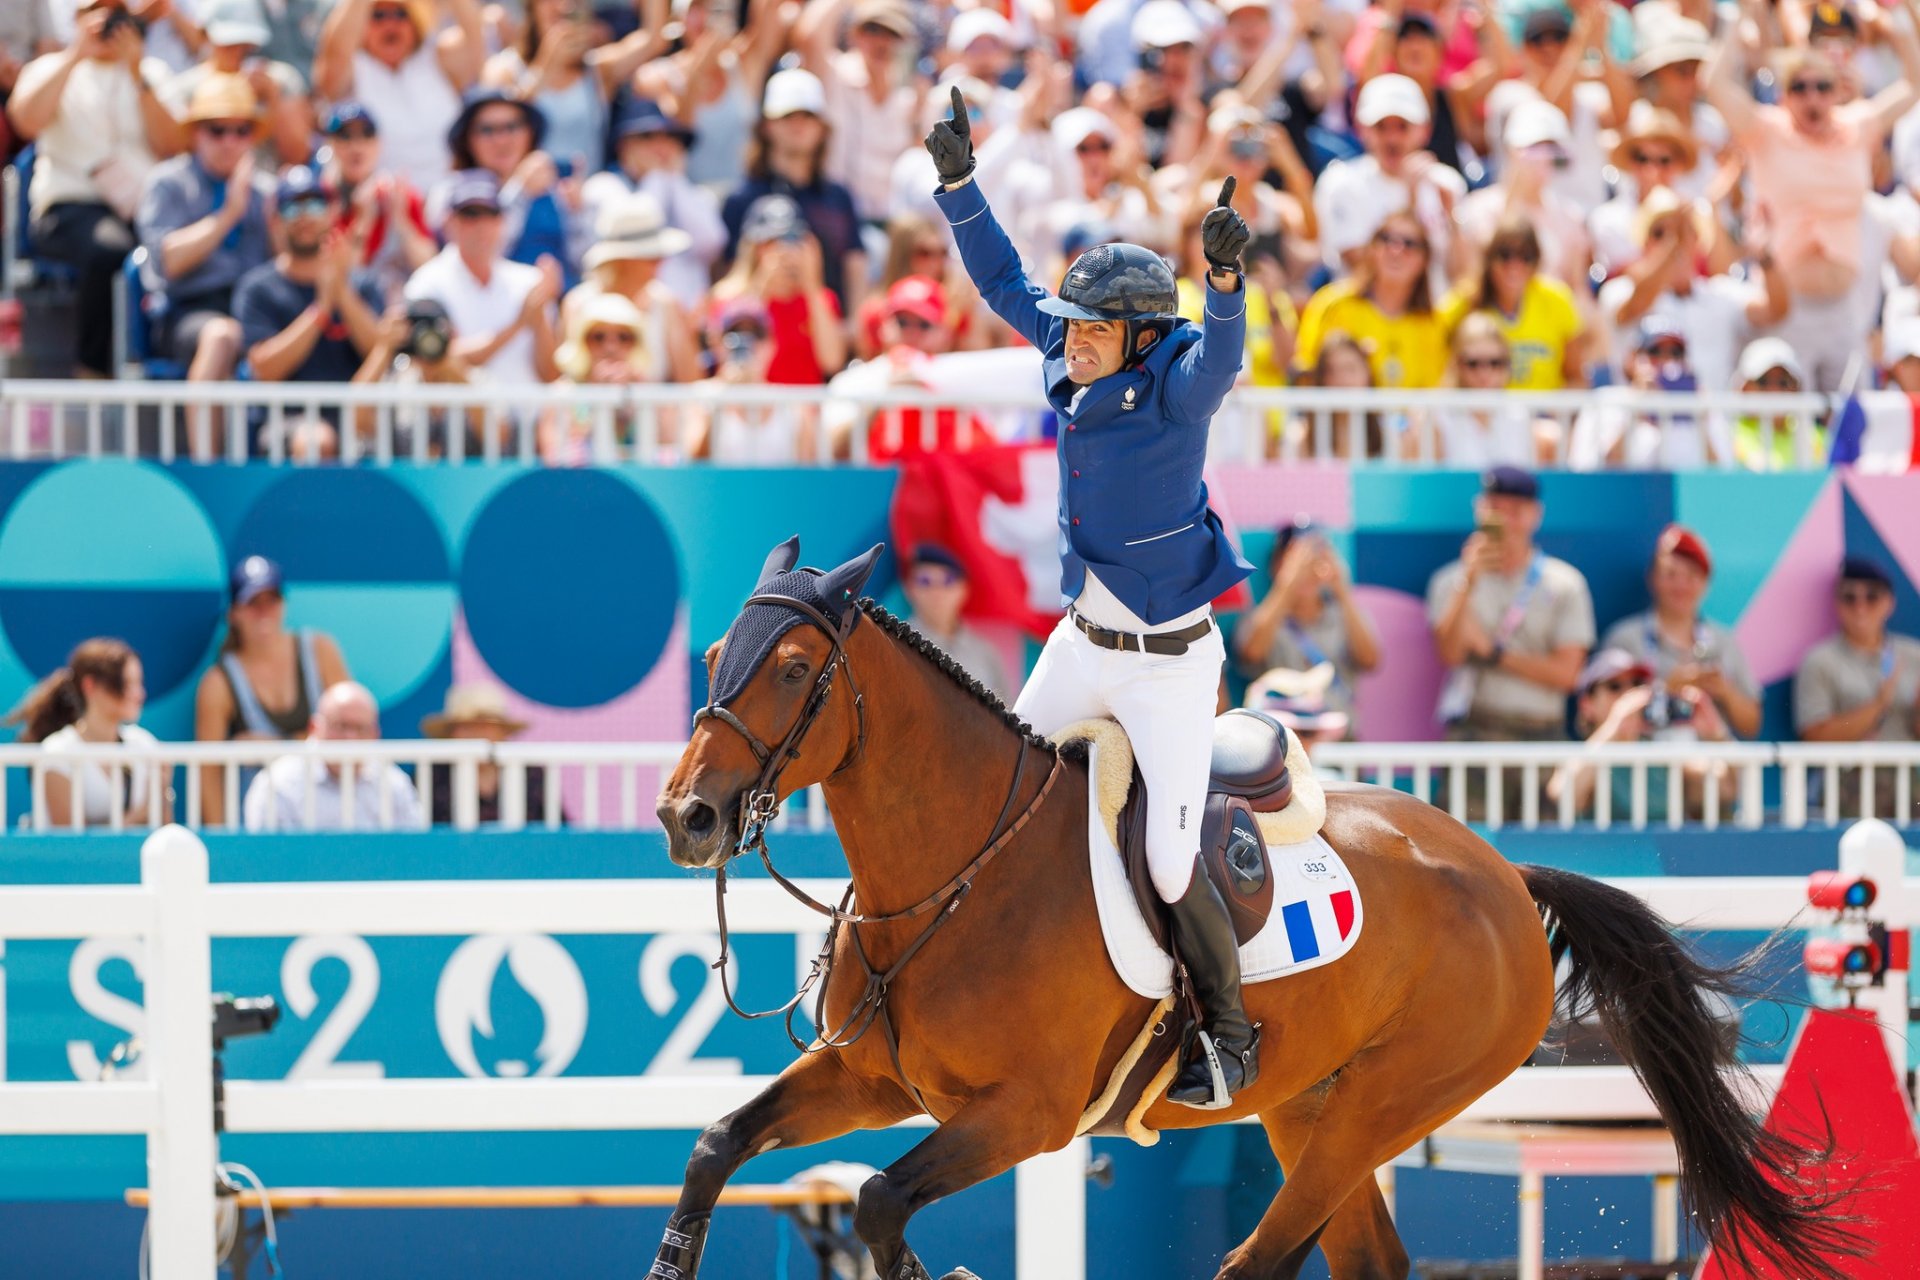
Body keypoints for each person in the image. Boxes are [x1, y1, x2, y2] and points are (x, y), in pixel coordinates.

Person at [926, 88, 1262, 1108]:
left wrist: (1227, 280)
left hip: (1167, 667)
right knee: (995, 811)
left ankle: (1231, 1033)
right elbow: (1002, 281)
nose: (1067, 338)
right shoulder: (1072, 354)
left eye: (1089, 328)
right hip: (1083, 643)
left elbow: (1229, 352)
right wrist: (958, 185)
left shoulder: (1179, 382)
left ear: (1140, 334)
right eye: (1069, 326)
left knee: (1166, 856)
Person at [1706, 2, 1920, 390]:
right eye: (1799, 87)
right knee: (1791, 430)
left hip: (1846, 308)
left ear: (1837, 92)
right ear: (1785, 96)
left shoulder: (1857, 126)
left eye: (1822, 87)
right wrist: (1738, 20)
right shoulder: (1766, 130)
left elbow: (1914, 85)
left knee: (1852, 436)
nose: (1811, 97)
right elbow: (1715, 84)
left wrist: (1900, 27)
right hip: (1788, 308)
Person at [7, 0, 182, 377]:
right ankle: (93, 368)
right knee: (110, 251)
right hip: (70, 207)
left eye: (116, 14)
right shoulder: (52, 67)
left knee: (180, 248)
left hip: (145, 207)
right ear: (78, 19)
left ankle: (169, 353)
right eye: (97, 13)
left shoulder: (152, 72)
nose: (107, 23)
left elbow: (173, 145)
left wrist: (137, 74)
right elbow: (25, 122)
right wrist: (76, 55)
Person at [1427, 466, 1594, 745]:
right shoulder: (1450, 580)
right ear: (1479, 510)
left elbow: (1568, 674)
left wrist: (1494, 654)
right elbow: (1450, 654)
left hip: (1544, 733)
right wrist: (1467, 581)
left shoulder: (1565, 583)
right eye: (1495, 509)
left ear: (1536, 515)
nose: (1504, 521)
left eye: (1515, 511)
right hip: (1476, 730)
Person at [135, 73, 275, 396]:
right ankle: (207, 450)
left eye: (241, 131)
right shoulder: (168, 183)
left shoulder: (267, 191)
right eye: (217, 130)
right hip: (188, 310)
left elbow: (285, 266)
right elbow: (167, 262)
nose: (230, 141)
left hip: (256, 308)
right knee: (221, 336)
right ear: (196, 133)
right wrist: (227, 216)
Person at [233, 166, 385, 452]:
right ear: (275, 220)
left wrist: (341, 291)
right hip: (288, 419)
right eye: (292, 207)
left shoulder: (363, 284)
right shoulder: (257, 288)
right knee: (317, 441)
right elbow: (264, 369)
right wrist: (322, 308)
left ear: (332, 213)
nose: (304, 216)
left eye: (315, 204)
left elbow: (379, 352)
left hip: (361, 416)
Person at [194, 555, 351, 827]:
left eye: (272, 600)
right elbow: (209, 772)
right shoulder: (218, 683)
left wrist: (276, 748)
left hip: (327, 818)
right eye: (253, 603)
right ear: (233, 613)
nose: (264, 611)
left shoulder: (321, 651)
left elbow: (353, 732)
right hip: (259, 825)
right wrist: (221, 842)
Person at [1599, 185, 1789, 392]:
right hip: (1645, 422)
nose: (1675, 240)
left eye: (1686, 230)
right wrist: (1674, 243)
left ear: (1698, 239)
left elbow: (1774, 311)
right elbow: (1633, 307)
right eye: (1660, 232)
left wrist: (1764, 257)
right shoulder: (1619, 291)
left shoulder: (1721, 293)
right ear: (1644, 242)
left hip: (1712, 422)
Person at [719, 67, 866, 311]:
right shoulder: (742, 199)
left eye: (808, 116)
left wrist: (852, 327)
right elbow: (731, 272)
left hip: (829, 334)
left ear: (822, 127)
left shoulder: (839, 197)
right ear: (766, 125)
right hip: (764, 333)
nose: (798, 125)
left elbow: (855, 264)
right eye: (787, 116)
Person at [1602, 523, 1762, 739]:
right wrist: (1666, 688)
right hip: (1644, 766)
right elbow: (1603, 717)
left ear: (1706, 583)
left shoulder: (1724, 642)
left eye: (1691, 576)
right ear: (1652, 578)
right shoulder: (1625, 638)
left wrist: (1724, 691)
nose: (1681, 585)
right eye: (1670, 574)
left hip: (1709, 766)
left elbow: (1751, 725)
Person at [404, 169, 561, 386]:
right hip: (460, 420)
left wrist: (539, 320)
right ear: (449, 221)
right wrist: (518, 325)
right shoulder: (427, 282)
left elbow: (550, 374)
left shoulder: (530, 281)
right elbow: (437, 359)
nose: (481, 225)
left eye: (490, 214)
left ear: (503, 221)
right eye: (470, 214)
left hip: (529, 418)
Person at [1545, 648, 1735, 823]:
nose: (1628, 693)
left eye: (1637, 683)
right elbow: (1563, 795)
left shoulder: (1663, 750)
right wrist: (1614, 729)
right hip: (1603, 858)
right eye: (1614, 686)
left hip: (1662, 857)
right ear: (1587, 704)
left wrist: (1715, 731)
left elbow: (1726, 790)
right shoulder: (1582, 755)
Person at [1795, 557, 1920, 819]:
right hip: (1850, 779)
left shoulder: (1913, 655)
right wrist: (1878, 705)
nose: (1860, 607)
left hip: (1910, 779)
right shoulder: (1821, 660)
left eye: (1872, 597)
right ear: (1837, 604)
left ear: (1889, 603)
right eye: (1849, 598)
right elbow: (1816, 736)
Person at [1311, 73, 1466, 284]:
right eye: (1381, 127)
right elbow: (1363, 268)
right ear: (1362, 130)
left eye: (1402, 127)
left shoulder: (1447, 183)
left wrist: (1453, 223)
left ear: (1425, 130)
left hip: (1434, 315)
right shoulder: (1340, 183)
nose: (1392, 139)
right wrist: (1409, 204)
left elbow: (1461, 277)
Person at [578, 97, 726, 314]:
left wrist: (674, 181)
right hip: (624, 317)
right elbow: (645, 226)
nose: (661, 148)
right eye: (647, 137)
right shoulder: (603, 187)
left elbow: (711, 243)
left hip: (685, 320)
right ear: (623, 145)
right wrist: (657, 178)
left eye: (670, 138)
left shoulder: (693, 192)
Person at [479, 0, 661, 176]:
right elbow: (495, 127)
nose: (563, 5)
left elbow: (654, 39)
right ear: (532, 7)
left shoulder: (598, 70)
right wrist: (545, 67)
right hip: (527, 195)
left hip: (584, 195)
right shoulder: (505, 69)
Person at [312, 0, 482, 188]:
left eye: (401, 14)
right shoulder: (353, 69)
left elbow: (475, 36)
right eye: (378, 16)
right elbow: (334, 48)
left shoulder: (437, 59)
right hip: (378, 204)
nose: (390, 24)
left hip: (451, 202)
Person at [1231, 518, 1379, 733]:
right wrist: (1288, 584)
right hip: (1280, 742)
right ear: (1275, 565)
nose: (1306, 567)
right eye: (1295, 557)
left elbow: (1370, 660)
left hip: (1339, 739)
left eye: (1315, 557)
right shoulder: (1261, 617)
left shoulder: (1345, 615)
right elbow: (1250, 653)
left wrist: (1342, 590)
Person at [7, 639, 170, 831]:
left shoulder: (145, 744)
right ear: (90, 685)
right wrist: (140, 815)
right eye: (125, 683)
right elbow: (76, 845)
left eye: (139, 683)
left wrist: (162, 799)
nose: (139, 694)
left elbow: (166, 833)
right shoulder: (57, 751)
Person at [1294, 210, 1448, 389]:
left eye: (1409, 244)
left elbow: (1435, 393)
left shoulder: (1431, 324)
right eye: (1386, 239)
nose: (1396, 250)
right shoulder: (1334, 304)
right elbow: (1305, 372)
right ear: (1372, 249)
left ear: (1425, 260)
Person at [437, 90, 579, 284]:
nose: (501, 140)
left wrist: (578, 212)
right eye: (487, 130)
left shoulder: (555, 183)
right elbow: (477, 255)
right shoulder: (451, 190)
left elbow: (580, 258)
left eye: (512, 127)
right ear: (467, 139)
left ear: (530, 133)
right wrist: (520, 191)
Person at [243, 681, 423, 831]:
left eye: (360, 729)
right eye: (341, 726)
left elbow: (415, 851)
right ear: (314, 728)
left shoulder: (394, 784)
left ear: (375, 734)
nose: (350, 738)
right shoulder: (278, 784)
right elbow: (267, 861)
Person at [708, 193, 847, 385]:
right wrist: (761, 288)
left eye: (792, 241)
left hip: (804, 410)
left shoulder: (821, 299)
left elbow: (832, 362)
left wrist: (812, 284)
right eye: (770, 242)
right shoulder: (727, 298)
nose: (783, 252)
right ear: (754, 248)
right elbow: (731, 357)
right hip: (753, 408)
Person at [1441, 214, 1586, 391]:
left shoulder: (1557, 300)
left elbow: (1576, 377)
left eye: (1526, 256)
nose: (1515, 265)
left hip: (1540, 413)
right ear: (1489, 258)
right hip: (1481, 413)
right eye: (1505, 255)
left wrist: (1550, 414)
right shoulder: (1464, 301)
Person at [162, 0, 309, 166]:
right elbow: (172, 150)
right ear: (205, 35)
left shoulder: (280, 79)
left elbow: (298, 155)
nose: (238, 52)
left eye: (245, 45)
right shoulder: (184, 89)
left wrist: (272, 100)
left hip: (268, 185)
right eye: (229, 43)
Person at [319, 100, 437, 305]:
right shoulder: (318, 199)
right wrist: (364, 220)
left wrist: (401, 220)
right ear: (330, 144)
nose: (356, 147)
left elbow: (429, 267)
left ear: (379, 143)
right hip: (342, 310)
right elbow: (345, 275)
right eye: (345, 136)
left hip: (395, 310)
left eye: (366, 135)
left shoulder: (401, 195)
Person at [1412, 314, 1553, 465]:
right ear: (1457, 365)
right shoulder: (1438, 417)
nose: (1484, 373)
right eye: (1473, 363)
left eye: (1495, 363)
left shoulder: (1519, 414)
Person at [421, 681, 551, 825]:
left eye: (485, 726)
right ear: (452, 733)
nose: (476, 734)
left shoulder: (530, 773)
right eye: (467, 727)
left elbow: (559, 831)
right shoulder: (430, 775)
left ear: (503, 733)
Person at [899, 544, 1015, 703]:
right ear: (909, 588)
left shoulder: (985, 654)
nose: (937, 591)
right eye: (925, 581)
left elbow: (1007, 720)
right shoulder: (896, 646)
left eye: (948, 580)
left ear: (963, 589)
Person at [1727, 336, 1824, 470]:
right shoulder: (1728, 436)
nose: (1774, 390)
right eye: (1763, 381)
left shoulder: (1813, 437)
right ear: (1744, 388)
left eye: (1783, 382)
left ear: (1795, 388)